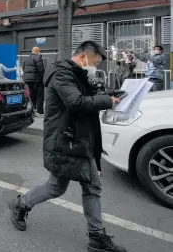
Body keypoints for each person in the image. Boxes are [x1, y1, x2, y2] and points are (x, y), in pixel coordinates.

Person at [8, 41, 126, 252]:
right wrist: (107, 101)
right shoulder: (62, 74)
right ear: (83, 58)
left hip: (77, 139)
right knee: (82, 186)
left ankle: (21, 204)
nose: (96, 68)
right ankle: (96, 236)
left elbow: (89, 96)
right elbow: (77, 102)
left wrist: (111, 94)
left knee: (62, 187)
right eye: (95, 63)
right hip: (66, 140)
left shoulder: (77, 73)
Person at [23, 46, 45, 117]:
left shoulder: (26, 59)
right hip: (37, 80)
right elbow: (41, 70)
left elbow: (24, 69)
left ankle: (32, 110)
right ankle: (40, 112)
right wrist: (44, 78)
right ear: (37, 51)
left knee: (32, 95)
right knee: (40, 95)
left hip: (28, 80)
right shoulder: (38, 58)